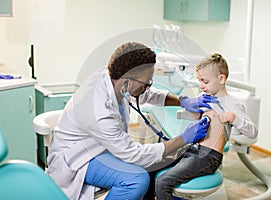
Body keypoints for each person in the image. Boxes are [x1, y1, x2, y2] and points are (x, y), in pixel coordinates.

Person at [46, 42, 215, 200]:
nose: (147, 87)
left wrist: (183, 100)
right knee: (136, 180)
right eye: (146, 83)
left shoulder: (117, 79)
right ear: (127, 82)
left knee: (153, 163)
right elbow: (134, 155)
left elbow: (147, 93)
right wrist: (183, 138)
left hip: (100, 147)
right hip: (79, 157)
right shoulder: (98, 108)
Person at [155, 53, 258, 200]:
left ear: (221, 79)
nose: (201, 85)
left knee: (163, 182)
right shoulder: (207, 98)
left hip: (208, 157)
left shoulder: (232, 104)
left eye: (205, 81)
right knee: (152, 166)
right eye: (200, 81)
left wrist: (232, 118)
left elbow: (252, 132)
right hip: (192, 149)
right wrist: (193, 109)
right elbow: (197, 117)